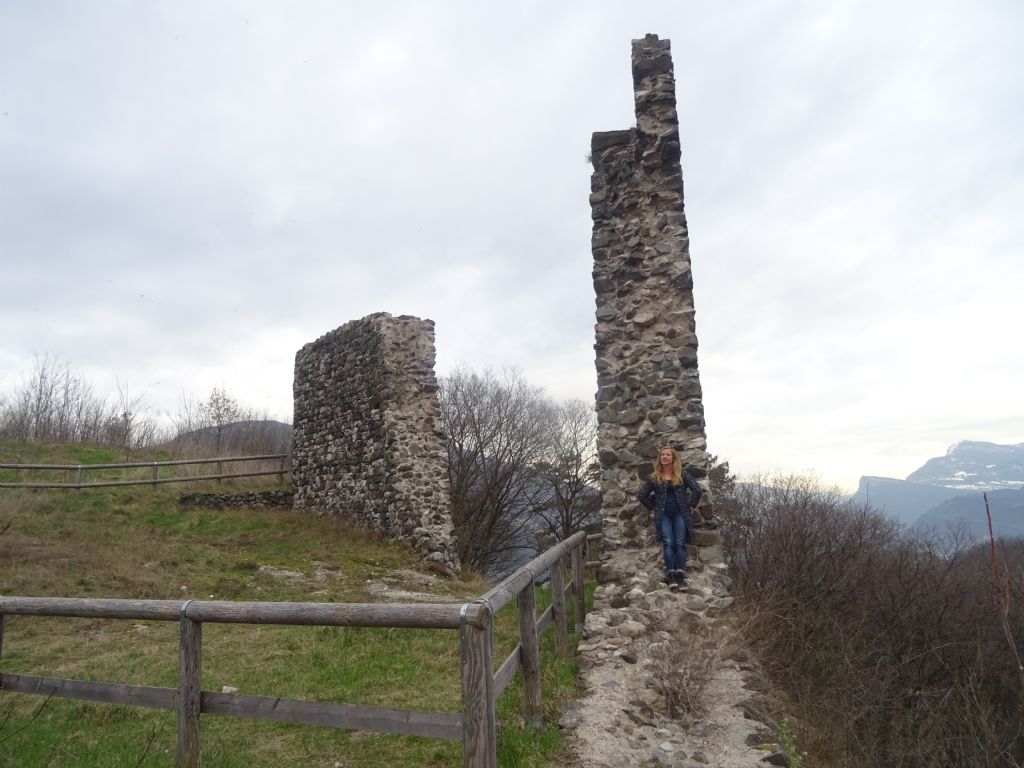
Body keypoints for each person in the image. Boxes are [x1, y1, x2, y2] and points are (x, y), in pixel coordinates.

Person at [636, 445, 703, 586]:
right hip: (664, 515)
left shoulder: (682, 474)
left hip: (680, 514)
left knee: (679, 543)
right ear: (660, 458)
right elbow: (641, 495)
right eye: (662, 454)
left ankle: (680, 575)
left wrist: (691, 506)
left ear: (673, 458)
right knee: (668, 543)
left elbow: (697, 490)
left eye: (668, 455)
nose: (664, 456)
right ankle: (671, 574)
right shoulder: (655, 477)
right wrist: (653, 507)